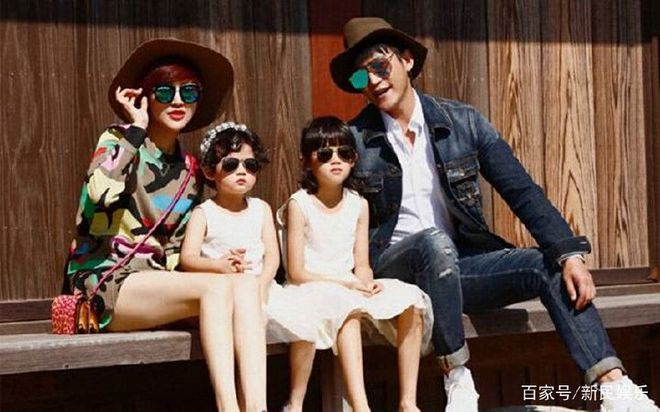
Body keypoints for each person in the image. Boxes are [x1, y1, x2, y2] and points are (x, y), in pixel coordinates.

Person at [329, 17, 659, 412]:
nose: (373, 82)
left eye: (379, 67)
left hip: (456, 271)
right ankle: (457, 377)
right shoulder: (352, 140)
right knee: (433, 244)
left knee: (549, 265)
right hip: (395, 276)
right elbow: (328, 211)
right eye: (361, 77)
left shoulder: (464, 122)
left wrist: (569, 254)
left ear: (407, 61)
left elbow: (521, 190)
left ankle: (616, 390)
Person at [64, 38, 266, 412]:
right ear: (146, 97)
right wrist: (136, 129)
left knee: (244, 285)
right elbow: (98, 196)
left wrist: (220, 264)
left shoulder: (190, 171)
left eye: (188, 92)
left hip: (157, 287)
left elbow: (175, 251)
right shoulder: (118, 140)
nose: (177, 101)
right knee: (217, 288)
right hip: (106, 282)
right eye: (164, 91)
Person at [278, 116, 433, 412]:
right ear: (306, 161)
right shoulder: (300, 204)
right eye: (325, 154)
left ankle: (407, 402)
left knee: (412, 302)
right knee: (347, 311)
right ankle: (359, 406)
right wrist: (346, 284)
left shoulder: (358, 204)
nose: (336, 160)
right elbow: (296, 272)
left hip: (346, 284)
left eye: (345, 153)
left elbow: (361, 262)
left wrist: (365, 280)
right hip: (308, 287)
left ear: (354, 159)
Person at [180, 121, 318, 344]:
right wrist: (217, 265)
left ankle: (298, 370)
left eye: (250, 165)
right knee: (249, 323)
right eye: (231, 164)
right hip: (224, 292)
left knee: (308, 326)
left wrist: (262, 284)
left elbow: (272, 257)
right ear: (209, 171)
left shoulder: (261, 208)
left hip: (263, 287)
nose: (241, 171)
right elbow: (188, 258)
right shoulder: (204, 213)